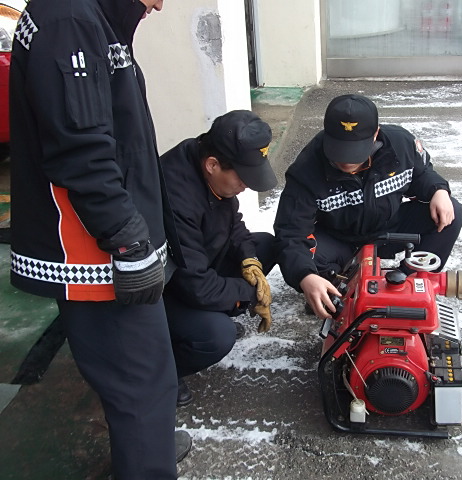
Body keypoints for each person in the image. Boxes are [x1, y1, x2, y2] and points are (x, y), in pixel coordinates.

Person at [9, 0, 191, 478]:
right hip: (93, 251)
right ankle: (146, 459)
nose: (160, 4)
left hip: (105, 241)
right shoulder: (70, 20)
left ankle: (146, 445)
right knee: (142, 384)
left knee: (139, 377)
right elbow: (81, 149)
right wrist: (127, 239)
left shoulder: (88, 18)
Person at [274, 94, 462, 318]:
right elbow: (291, 232)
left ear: (376, 134)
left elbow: (422, 173)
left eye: (355, 152)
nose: (346, 161)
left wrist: (438, 190)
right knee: (305, 260)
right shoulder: (306, 169)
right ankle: (336, 290)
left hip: (389, 229)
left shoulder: (401, 144)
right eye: (339, 150)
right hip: (339, 241)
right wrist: (305, 276)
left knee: (450, 212)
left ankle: (408, 282)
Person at [160, 110, 278, 406]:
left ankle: (215, 313)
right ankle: (162, 372)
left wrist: (250, 262)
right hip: (165, 291)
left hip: (199, 263)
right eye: (243, 177)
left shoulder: (209, 160)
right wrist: (250, 292)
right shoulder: (176, 198)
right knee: (217, 335)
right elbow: (196, 286)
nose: (247, 186)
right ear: (212, 165)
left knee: (265, 245)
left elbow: (233, 222)